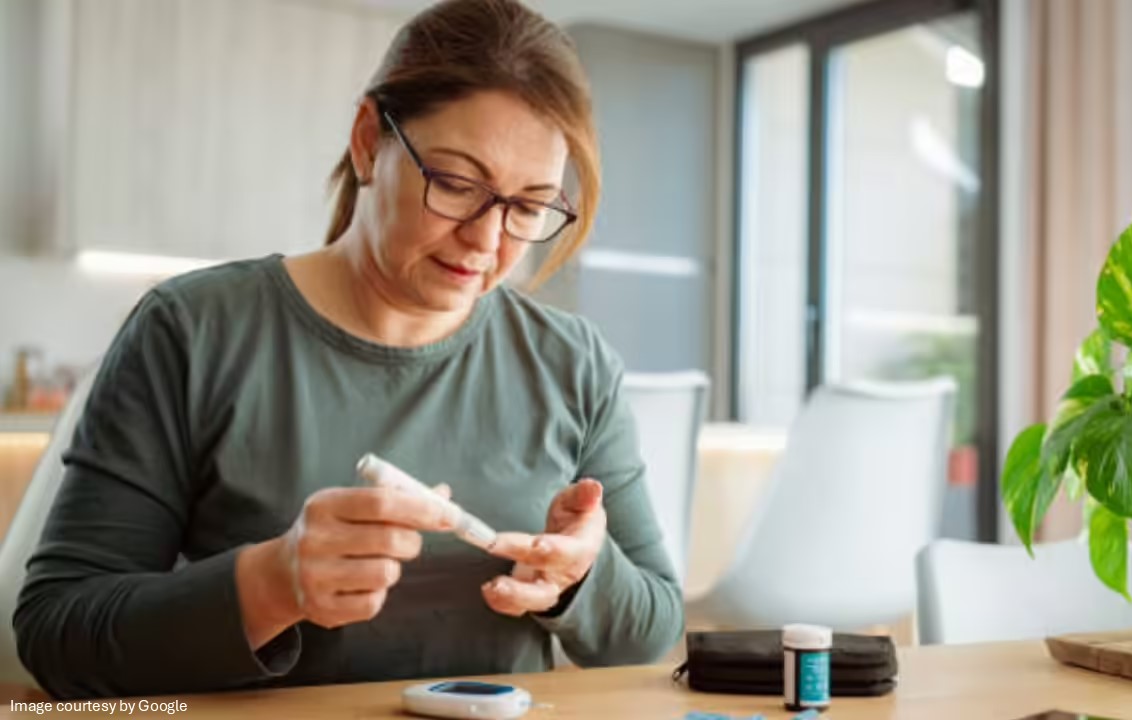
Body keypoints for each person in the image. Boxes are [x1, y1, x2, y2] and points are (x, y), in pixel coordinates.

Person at [15, 0, 683, 700]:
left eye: (527, 207)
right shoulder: (191, 331)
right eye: (456, 184)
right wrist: (270, 586)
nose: (488, 241)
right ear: (369, 141)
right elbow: (57, 635)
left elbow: (653, 631)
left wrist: (581, 577)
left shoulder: (573, 363)